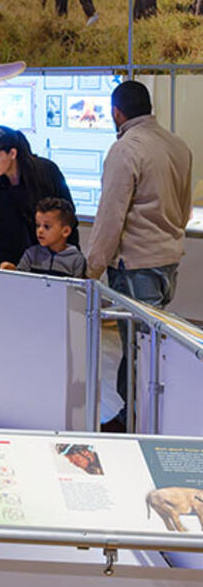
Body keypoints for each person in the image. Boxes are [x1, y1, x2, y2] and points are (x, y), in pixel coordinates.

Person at [85, 80, 193, 432]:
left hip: (136, 266)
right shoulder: (177, 145)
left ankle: (137, 426)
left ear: (117, 113)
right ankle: (133, 418)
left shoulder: (126, 148)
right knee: (149, 348)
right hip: (167, 261)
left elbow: (111, 214)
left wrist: (92, 268)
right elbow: (184, 206)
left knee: (137, 353)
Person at [0, 125, 77, 268]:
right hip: (2, 261)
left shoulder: (46, 173)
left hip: (44, 262)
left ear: (12, 153)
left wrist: (71, 259)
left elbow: (67, 218)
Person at [0, 197, 86, 278]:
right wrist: (11, 270)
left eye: (47, 226)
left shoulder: (76, 259)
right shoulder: (31, 254)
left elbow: (76, 291)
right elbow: (21, 280)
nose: (40, 231)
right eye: (38, 225)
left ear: (65, 231)